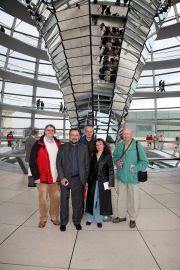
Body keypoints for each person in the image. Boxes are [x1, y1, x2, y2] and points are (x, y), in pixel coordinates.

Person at [112, 128, 148, 228]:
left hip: (133, 178)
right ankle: (121, 216)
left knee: (134, 199)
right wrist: (117, 162)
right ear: (122, 135)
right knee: (121, 197)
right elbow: (114, 157)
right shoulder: (119, 145)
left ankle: (132, 218)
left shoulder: (137, 145)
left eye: (128, 134)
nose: (126, 136)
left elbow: (145, 162)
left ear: (131, 135)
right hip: (122, 176)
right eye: (124, 134)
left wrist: (136, 168)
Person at [56, 128, 89, 232]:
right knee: (64, 201)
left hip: (78, 179)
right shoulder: (62, 147)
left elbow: (86, 165)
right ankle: (63, 222)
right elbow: (58, 163)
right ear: (69, 136)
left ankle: (76, 221)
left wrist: (85, 180)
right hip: (65, 179)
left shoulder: (84, 148)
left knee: (77, 202)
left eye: (76, 135)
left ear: (79, 136)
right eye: (72, 135)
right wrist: (61, 177)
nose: (74, 137)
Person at [29, 124, 61, 228]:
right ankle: (43, 219)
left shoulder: (58, 144)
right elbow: (32, 161)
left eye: (52, 130)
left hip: (55, 178)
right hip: (42, 178)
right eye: (48, 130)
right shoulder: (38, 144)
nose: (50, 132)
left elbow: (61, 160)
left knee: (56, 198)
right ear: (45, 131)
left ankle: (54, 217)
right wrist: (36, 176)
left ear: (54, 132)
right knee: (42, 199)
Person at [86, 139, 114, 228]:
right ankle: (89, 218)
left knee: (101, 200)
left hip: (104, 182)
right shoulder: (92, 155)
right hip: (93, 181)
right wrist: (87, 181)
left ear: (104, 145)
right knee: (91, 200)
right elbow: (88, 169)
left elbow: (111, 170)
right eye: (97, 144)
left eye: (100, 144)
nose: (98, 146)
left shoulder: (108, 156)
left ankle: (99, 219)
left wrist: (111, 183)